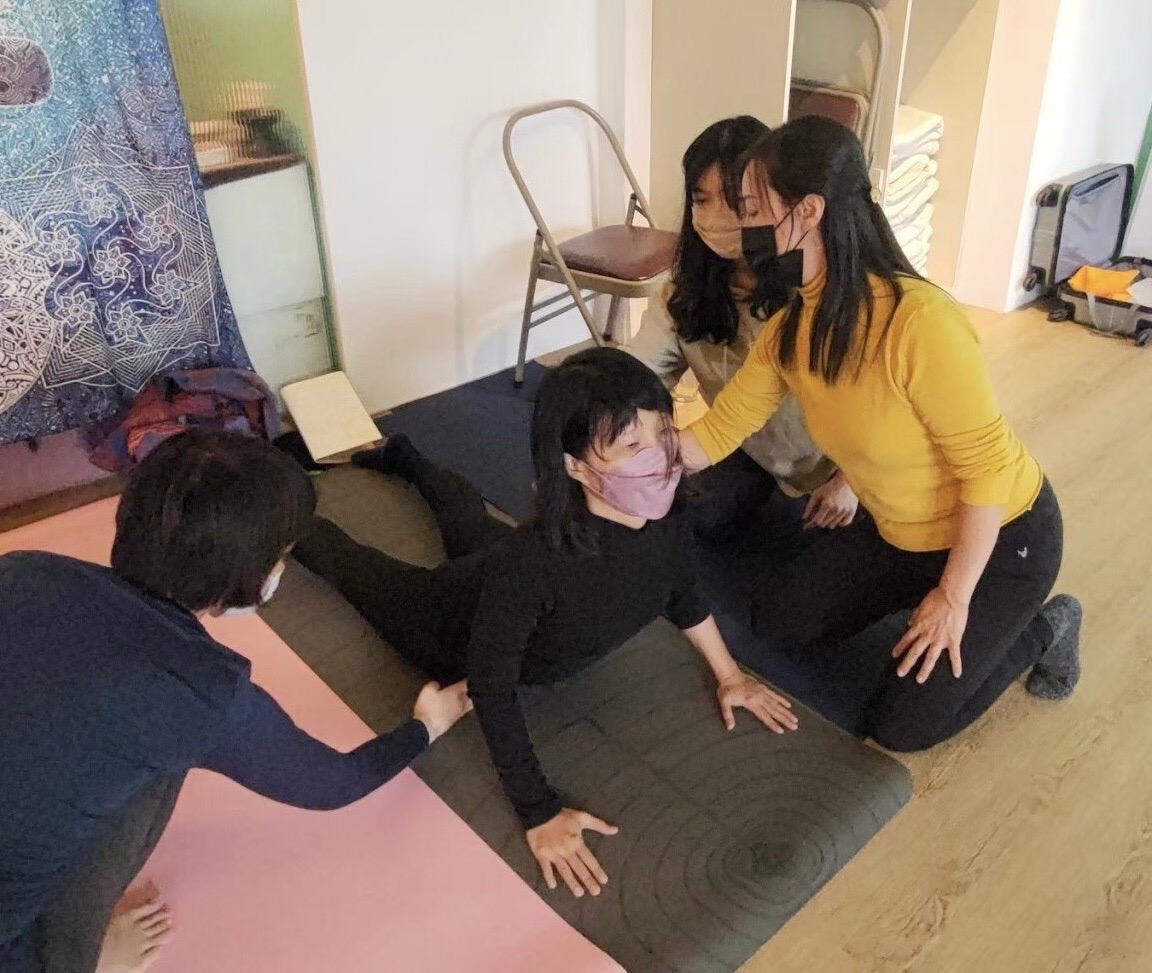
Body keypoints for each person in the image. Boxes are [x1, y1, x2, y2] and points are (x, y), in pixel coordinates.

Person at [292, 346, 799, 900]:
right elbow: (490, 683)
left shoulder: (664, 508)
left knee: (465, 515)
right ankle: (282, 517)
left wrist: (730, 676)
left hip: (505, 579)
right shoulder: (534, 563)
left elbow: (680, 591)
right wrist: (538, 811)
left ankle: (401, 454)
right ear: (575, 466)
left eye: (662, 432)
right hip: (444, 620)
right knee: (358, 568)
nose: (659, 457)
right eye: (631, 445)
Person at [677, 115, 1082, 752]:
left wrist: (954, 596)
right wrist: (614, 455)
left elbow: (985, 471)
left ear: (807, 212)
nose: (740, 229)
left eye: (751, 210)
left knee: (901, 727)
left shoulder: (919, 322)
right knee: (779, 624)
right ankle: (932, 602)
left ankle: (1044, 630)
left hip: (1004, 535)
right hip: (900, 532)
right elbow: (713, 434)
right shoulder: (791, 331)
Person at [0, 431, 471, 973]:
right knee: (160, 750)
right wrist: (424, 728)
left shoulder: (23, 569)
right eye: (280, 558)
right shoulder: (199, 692)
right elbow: (332, 784)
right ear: (239, 582)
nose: (280, 572)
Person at [628, 115, 859, 537]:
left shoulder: (813, 292)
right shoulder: (684, 295)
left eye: (737, 202)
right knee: (667, 523)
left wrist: (851, 480)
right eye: (701, 200)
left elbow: (888, 411)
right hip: (750, 452)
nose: (717, 216)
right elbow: (633, 373)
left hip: (847, 466)